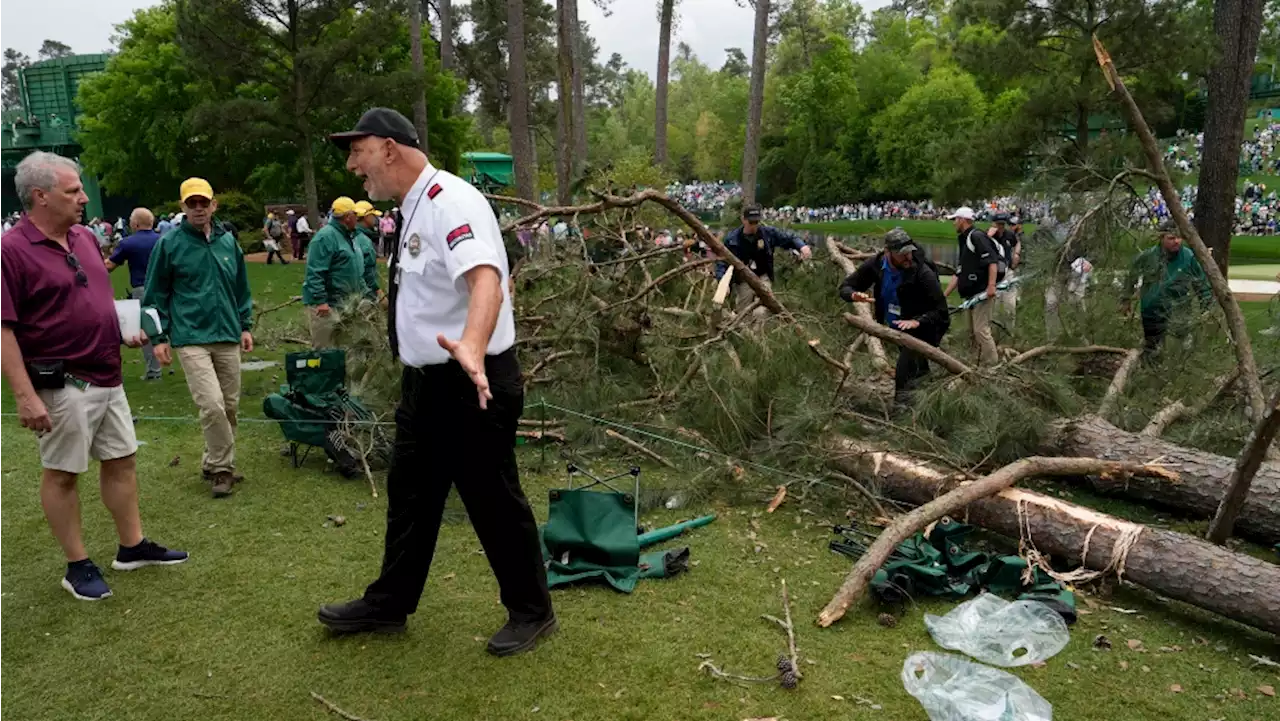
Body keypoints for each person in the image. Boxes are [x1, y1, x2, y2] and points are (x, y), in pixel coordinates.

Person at [320, 107, 554, 655]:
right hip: (426, 385)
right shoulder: (414, 206)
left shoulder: (450, 201)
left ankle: (532, 611)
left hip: (470, 382)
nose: (354, 165)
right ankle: (390, 603)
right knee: (410, 495)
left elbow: (486, 279)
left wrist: (472, 344)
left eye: (359, 150)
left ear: (390, 149)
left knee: (492, 499)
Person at [0, 151, 187, 601]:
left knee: (121, 459)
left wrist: (123, 330)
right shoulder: (10, 251)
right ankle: (77, 564)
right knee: (63, 472)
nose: (84, 198)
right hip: (63, 383)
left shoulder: (83, 236)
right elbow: (3, 329)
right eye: (73, 191)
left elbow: (91, 296)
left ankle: (132, 546)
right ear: (40, 197)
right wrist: (25, 396)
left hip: (109, 372)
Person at [142, 178, 254, 499]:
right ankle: (222, 469)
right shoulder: (170, 244)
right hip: (190, 336)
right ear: (183, 207)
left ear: (213, 205)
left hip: (229, 333)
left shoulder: (228, 242)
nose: (199, 208)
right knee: (212, 404)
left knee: (229, 406)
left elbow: (241, 288)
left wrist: (245, 325)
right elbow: (153, 294)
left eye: (203, 202)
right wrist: (158, 336)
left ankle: (211, 460)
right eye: (192, 203)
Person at [839, 228, 950, 405]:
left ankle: (901, 413)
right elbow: (845, 287)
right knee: (919, 370)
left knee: (903, 373)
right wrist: (854, 295)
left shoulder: (923, 272)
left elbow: (942, 312)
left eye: (910, 252)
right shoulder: (876, 264)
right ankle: (932, 403)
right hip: (898, 326)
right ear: (887, 252)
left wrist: (917, 322)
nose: (908, 258)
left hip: (923, 328)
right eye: (902, 254)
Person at [1125, 219, 1212, 355]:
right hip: (1151, 310)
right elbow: (1131, 276)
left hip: (1179, 311)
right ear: (1161, 238)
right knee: (1153, 350)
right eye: (1171, 238)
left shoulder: (1188, 257)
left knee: (1178, 349)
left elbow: (1201, 283)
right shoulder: (1148, 256)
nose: (1177, 241)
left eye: (1179, 238)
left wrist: (1207, 307)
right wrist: (1126, 299)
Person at [715, 204, 811, 315]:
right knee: (743, 313)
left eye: (756, 222)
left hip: (763, 277)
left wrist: (801, 246)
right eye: (751, 223)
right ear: (743, 220)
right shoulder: (732, 239)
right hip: (743, 280)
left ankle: (758, 330)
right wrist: (723, 282)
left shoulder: (768, 233)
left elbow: (790, 238)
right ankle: (745, 330)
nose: (754, 226)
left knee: (760, 312)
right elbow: (722, 262)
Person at [303, 197, 373, 348]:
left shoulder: (349, 236)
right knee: (326, 351)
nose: (357, 218)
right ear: (348, 217)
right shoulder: (325, 237)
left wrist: (367, 294)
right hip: (327, 307)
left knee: (344, 349)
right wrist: (321, 301)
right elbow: (315, 272)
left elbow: (355, 271)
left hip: (346, 304)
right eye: (355, 215)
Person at [106, 208, 163, 380]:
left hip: (142, 288)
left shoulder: (128, 243)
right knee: (163, 326)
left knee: (145, 329)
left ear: (135, 223)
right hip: (164, 288)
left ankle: (154, 370)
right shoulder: (163, 240)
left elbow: (109, 265)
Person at [943, 206, 999, 366]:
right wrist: (945, 294)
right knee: (972, 332)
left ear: (963, 220)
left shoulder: (977, 236)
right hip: (970, 294)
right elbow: (959, 272)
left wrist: (991, 286)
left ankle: (994, 366)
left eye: (955, 220)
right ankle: (975, 363)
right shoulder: (964, 239)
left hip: (981, 292)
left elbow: (992, 262)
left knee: (981, 330)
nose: (954, 223)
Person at [354, 201, 383, 297]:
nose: (375, 218)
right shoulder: (364, 240)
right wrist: (377, 291)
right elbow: (367, 271)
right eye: (373, 215)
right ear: (366, 217)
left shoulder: (349, 235)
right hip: (365, 293)